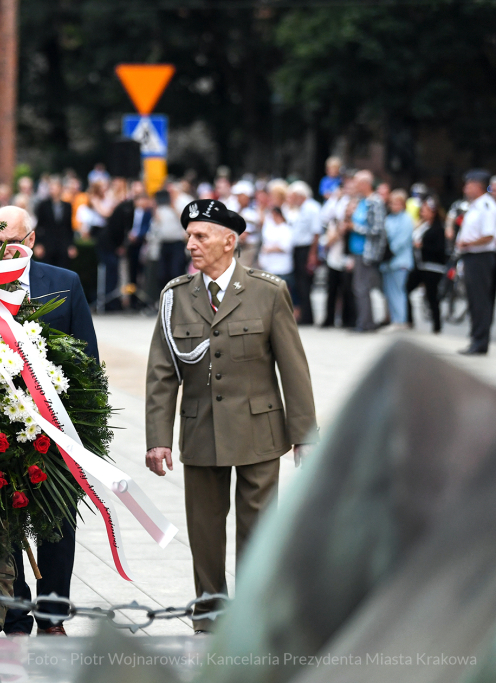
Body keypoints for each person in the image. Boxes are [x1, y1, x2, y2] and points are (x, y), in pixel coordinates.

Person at [144, 199, 318, 633]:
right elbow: (162, 373)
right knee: (204, 531)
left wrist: (305, 435)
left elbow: (293, 369)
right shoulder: (175, 296)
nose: (190, 244)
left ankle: (255, 614)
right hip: (201, 428)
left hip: (260, 429)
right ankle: (210, 614)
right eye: (188, 236)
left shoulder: (268, 291)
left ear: (229, 240)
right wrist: (157, 437)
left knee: (258, 529)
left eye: (200, 236)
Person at [0, 206, 98, 637]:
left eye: (8, 243)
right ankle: (15, 615)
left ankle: (53, 617)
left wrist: (85, 425)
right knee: (3, 521)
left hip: (57, 425)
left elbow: (87, 355)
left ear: (30, 241)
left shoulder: (64, 283)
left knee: (57, 522)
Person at [456, 169, 496, 355]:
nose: (465, 188)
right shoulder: (475, 205)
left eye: (468, 184)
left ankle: (479, 342)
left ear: (477, 186)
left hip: (481, 257)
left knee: (480, 301)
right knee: (474, 299)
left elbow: (488, 235)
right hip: (472, 256)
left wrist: (467, 243)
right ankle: (476, 339)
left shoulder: (486, 206)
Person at [348, 171, 388, 332]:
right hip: (357, 251)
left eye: (357, 183)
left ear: (365, 184)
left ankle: (365, 324)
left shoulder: (375, 202)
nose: (355, 186)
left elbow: (377, 229)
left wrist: (354, 228)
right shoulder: (361, 201)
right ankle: (365, 321)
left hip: (367, 253)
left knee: (362, 288)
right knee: (359, 287)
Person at [319, 175, 357, 328]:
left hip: (347, 251)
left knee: (347, 288)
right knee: (331, 287)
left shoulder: (355, 202)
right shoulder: (335, 201)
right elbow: (325, 217)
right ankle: (329, 318)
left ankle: (347, 319)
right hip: (334, 249)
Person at [406, 196, 447, 334]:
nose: (423, 213)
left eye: (426, 210)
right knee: (406, 289)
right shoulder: (422, 226)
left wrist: (423, 246)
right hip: (420, 266)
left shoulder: (439, 229)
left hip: (432, 267)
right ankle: (408, 320)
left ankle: (437, 326)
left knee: (432, 297)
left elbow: (440, 249)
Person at [285, 181, 321, 325]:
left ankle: (307, 317)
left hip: (306, 249)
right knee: (299, 284)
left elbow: (316, 233)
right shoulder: (299, 209)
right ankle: (304, 315)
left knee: (305, 283)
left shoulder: (312, 208)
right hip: (297, 249)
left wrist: (313, 254)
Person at [380, 190, 415, 330]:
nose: (394, 205)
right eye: (392, 202)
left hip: (400, 261)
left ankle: (400, 321)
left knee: (398, 292)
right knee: (389, 292)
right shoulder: (389, 218)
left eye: (397, 202)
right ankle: (395, 319)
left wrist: (389, 251)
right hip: (388, 263)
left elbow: (402, 240)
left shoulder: (406, 219)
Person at [33, 177, 75, 269]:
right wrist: (39, 244)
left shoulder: (68, 206)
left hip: (62, 246)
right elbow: (39, 226)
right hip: (48, 245)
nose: (52, 190)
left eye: (55, 187)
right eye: (51, 187)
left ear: (60, 188)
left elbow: (69, 227)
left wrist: (71, 245)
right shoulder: (43, 205)